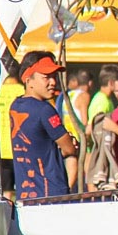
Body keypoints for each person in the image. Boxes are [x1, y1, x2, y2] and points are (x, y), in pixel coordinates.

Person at [10, 51, 78, 200]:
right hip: (50, 193)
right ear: (29, 80)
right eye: (46, 77)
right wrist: (70, 144)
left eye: (54, 76)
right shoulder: (45, 110)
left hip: (26, 194)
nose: (53, 82)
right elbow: (69, 149)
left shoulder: (15, 106)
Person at [0, 63, 25, 200]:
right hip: (18, 144)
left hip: (1, 146)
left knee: (6, 188)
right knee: (21, 186)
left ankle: (6, 218)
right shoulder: (21, 91)